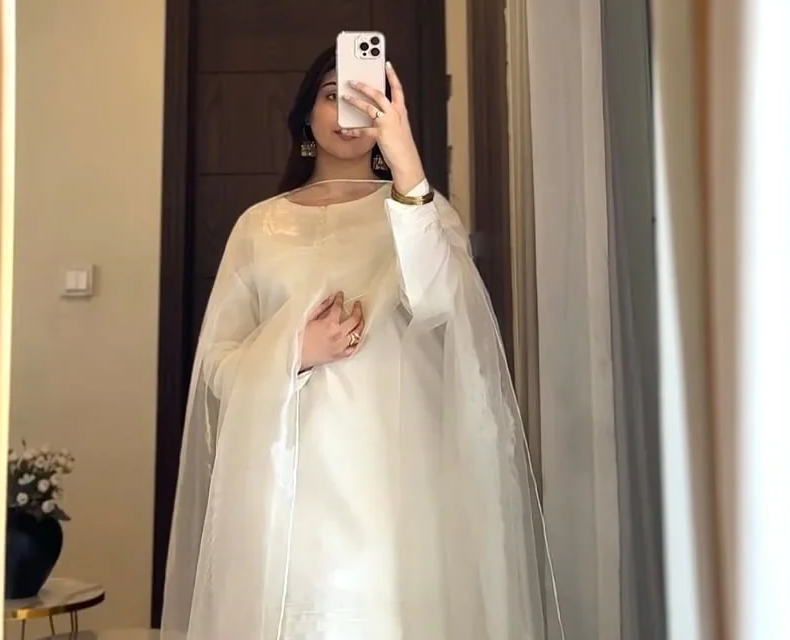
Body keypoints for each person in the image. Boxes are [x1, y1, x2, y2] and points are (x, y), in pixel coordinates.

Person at [161, 46, 563, 640]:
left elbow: (441, 302)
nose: (349, 113)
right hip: (287, 476)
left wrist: (405, 161)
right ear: (306, 115)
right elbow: (217, 364)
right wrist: (295, 352)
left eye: (366, 98)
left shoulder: (419, 209)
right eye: (333, 96)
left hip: (394, 471)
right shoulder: (258, 226)